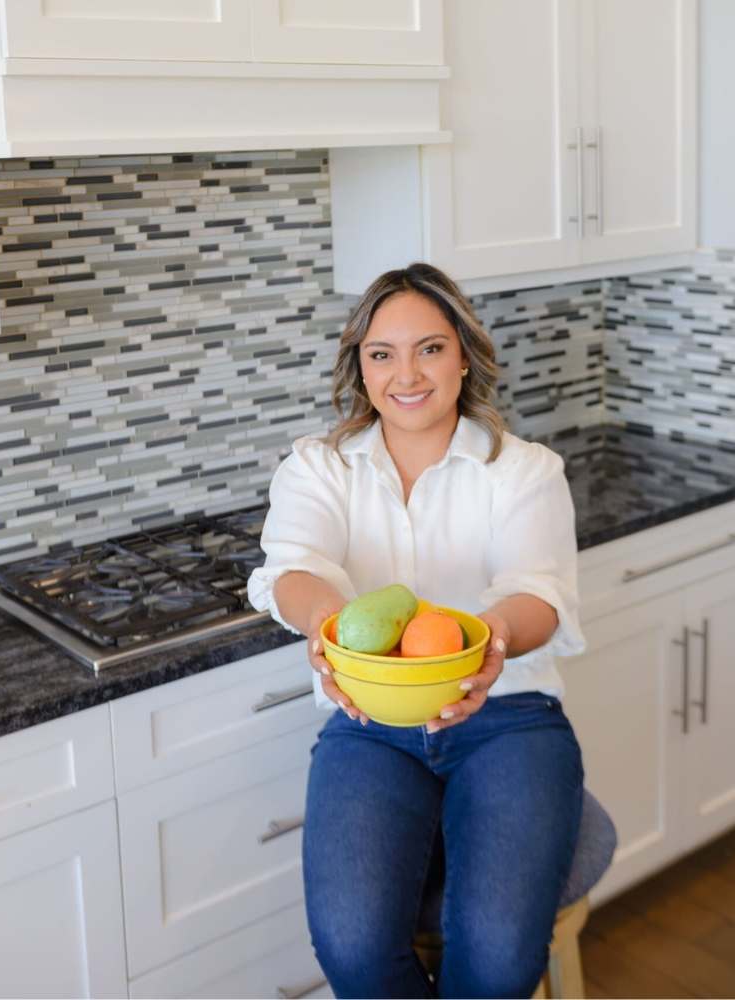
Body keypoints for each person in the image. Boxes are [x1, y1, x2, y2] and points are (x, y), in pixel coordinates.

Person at [247, 262, 586, 999]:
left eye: (429, 348)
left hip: (509, 719)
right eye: (382, 354)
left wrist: (489, 643)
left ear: (464, 355)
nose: (407, 373)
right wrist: (323, 626)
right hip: (369, 723)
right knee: (353, 951)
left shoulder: (523, 471)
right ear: (360, 369)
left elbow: (539, 593)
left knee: (497, 964)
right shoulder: (319, 468)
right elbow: (293, 567)